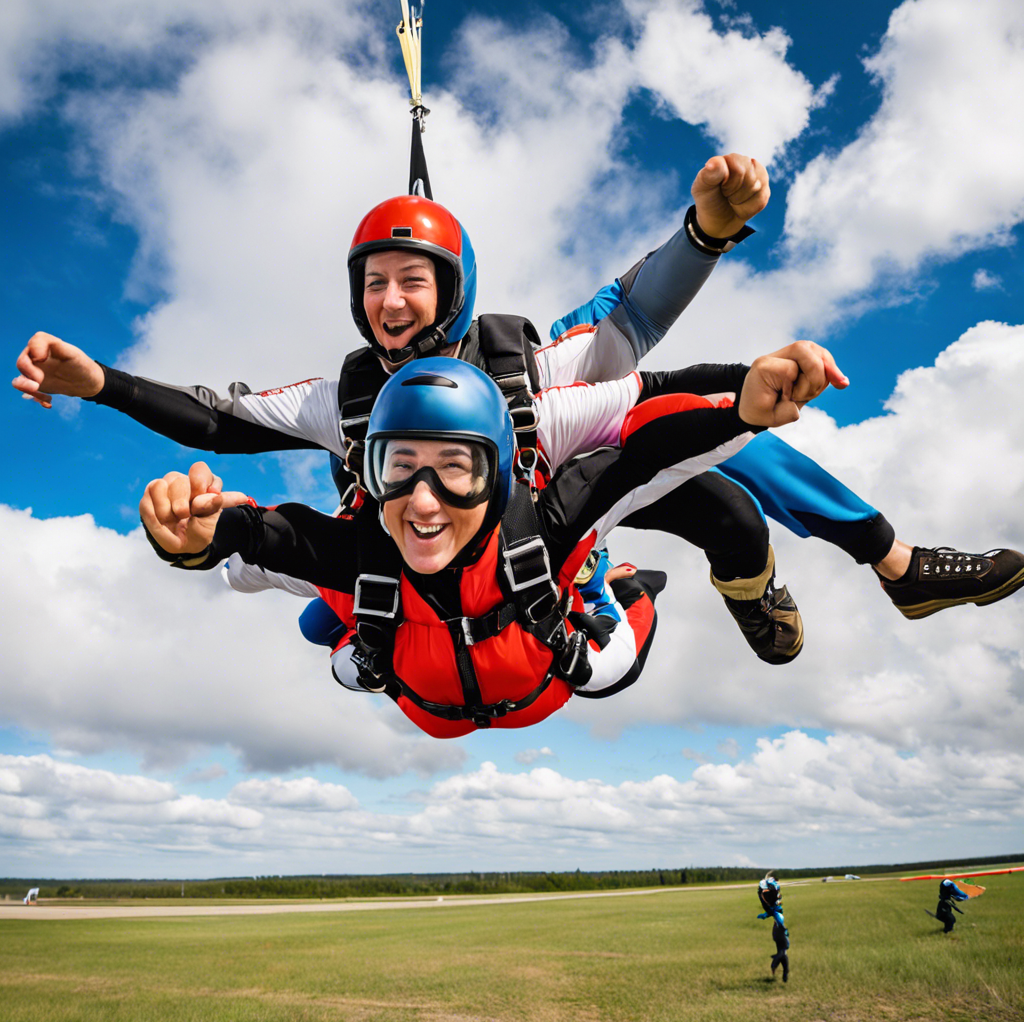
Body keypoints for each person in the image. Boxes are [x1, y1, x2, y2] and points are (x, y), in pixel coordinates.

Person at [16, 155, 1023, 654]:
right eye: (373, 284)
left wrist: (707, 235)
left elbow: (630, 329)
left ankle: (880, 567)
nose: (391, 300)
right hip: (404, 564)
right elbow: (223, 420)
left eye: (414, 280)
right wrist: (99, 383)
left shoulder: (525, 368)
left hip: (547, 522)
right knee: (323, 626)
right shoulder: (347, 392)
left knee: (724, 486)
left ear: (452, 286)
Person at [140, 344, 835, 736]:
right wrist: (200, 535)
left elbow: (642, 453)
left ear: (499, 475)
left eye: (456, 471)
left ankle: (611, 580)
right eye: (397, 470)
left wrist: (739, 409)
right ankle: (364, 639)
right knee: (319, 616)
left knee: (609, 656)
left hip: (548, 669)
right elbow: (268, 541)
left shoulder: (544, 525)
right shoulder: (365, 549)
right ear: (367, 473)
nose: (423, 502)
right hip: (432, 686)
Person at [757, 873, 789, 981]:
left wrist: (765, 915)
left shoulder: (772, 903)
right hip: (779, 929)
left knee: (783, 951)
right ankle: (775, 963)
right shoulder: (772, 899)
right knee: (783, 950)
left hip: (776, 930)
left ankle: (785, 973)